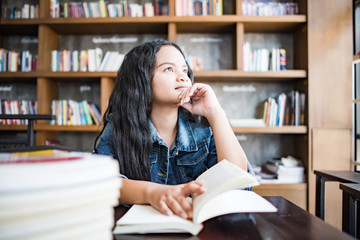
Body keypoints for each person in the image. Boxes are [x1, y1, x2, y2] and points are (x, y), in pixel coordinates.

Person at [94, 39, 249, 220]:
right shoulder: (119, 127)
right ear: (140, 79)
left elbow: (238, 182)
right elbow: (102, 182)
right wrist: (153, 193)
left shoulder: (204, 127)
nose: (183, 77)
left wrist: (215, 112)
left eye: (184, 70)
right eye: (169, 69)